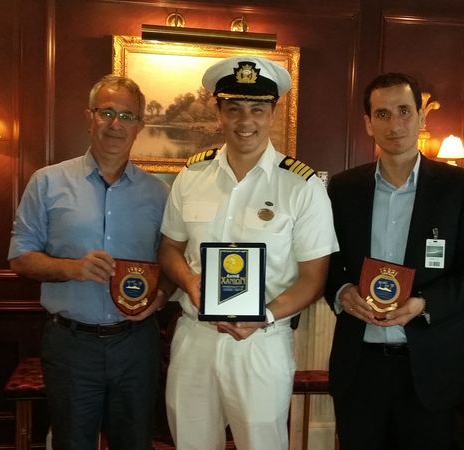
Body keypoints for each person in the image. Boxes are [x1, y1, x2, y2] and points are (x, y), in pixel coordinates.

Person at [158, 55, 339, 450]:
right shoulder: (192, 175)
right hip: (195, 338)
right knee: (191, 443)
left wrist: (265, 315)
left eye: (257, 109)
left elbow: (314, 278)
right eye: (234, 108)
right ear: (218, 112)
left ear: (273, 113)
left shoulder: (301, 186)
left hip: (262, 342)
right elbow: (170, 248)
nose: (246, 121)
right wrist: (189, 281)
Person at [324, 72, 464, 450]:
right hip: (360, 367)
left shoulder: (460, 187)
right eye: (382, 114)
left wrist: (424, 304)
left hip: (430, 368)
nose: (395, 124)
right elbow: (327, 261)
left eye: (404, 111)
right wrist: (342, 291)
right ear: (368, 123)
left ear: (422, 116)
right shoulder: (344, 188)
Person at [8, 74, 173, 450]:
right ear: (89, 118)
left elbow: (171, 261)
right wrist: (72, 268)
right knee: (72, 442)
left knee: (135, 442)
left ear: (140, 126)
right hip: (71, 344)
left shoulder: (159, 194)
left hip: (136, 344)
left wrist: (162, 296)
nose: (116, 124)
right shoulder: (47, 182)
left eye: (127, 116)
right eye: (107, 112)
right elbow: (20, 257)